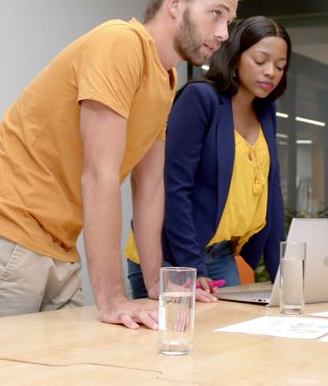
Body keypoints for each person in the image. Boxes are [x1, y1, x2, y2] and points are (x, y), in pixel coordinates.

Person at [0, 0, 239, 330]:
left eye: (229, 21)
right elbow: (100, 175)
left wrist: (155, 284)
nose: (222, 33)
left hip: (58, 247)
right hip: (5, 234)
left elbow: (150, 188)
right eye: (216, 15)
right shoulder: (121, 42)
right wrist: (113, 298)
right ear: (175, 4)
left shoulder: (166, 80)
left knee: (68, 381)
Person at [124, 16, 290, 300]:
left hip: (222, 254)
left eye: (280, 66)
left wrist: (284, 279)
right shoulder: (200, 99)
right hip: (172, 257)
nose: (271, 72)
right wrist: (192, 265)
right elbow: (175, 187)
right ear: (236, 56)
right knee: (178, 340)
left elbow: (271, 196)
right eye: (261, 60)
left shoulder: (266, 112)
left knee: (232, 341)